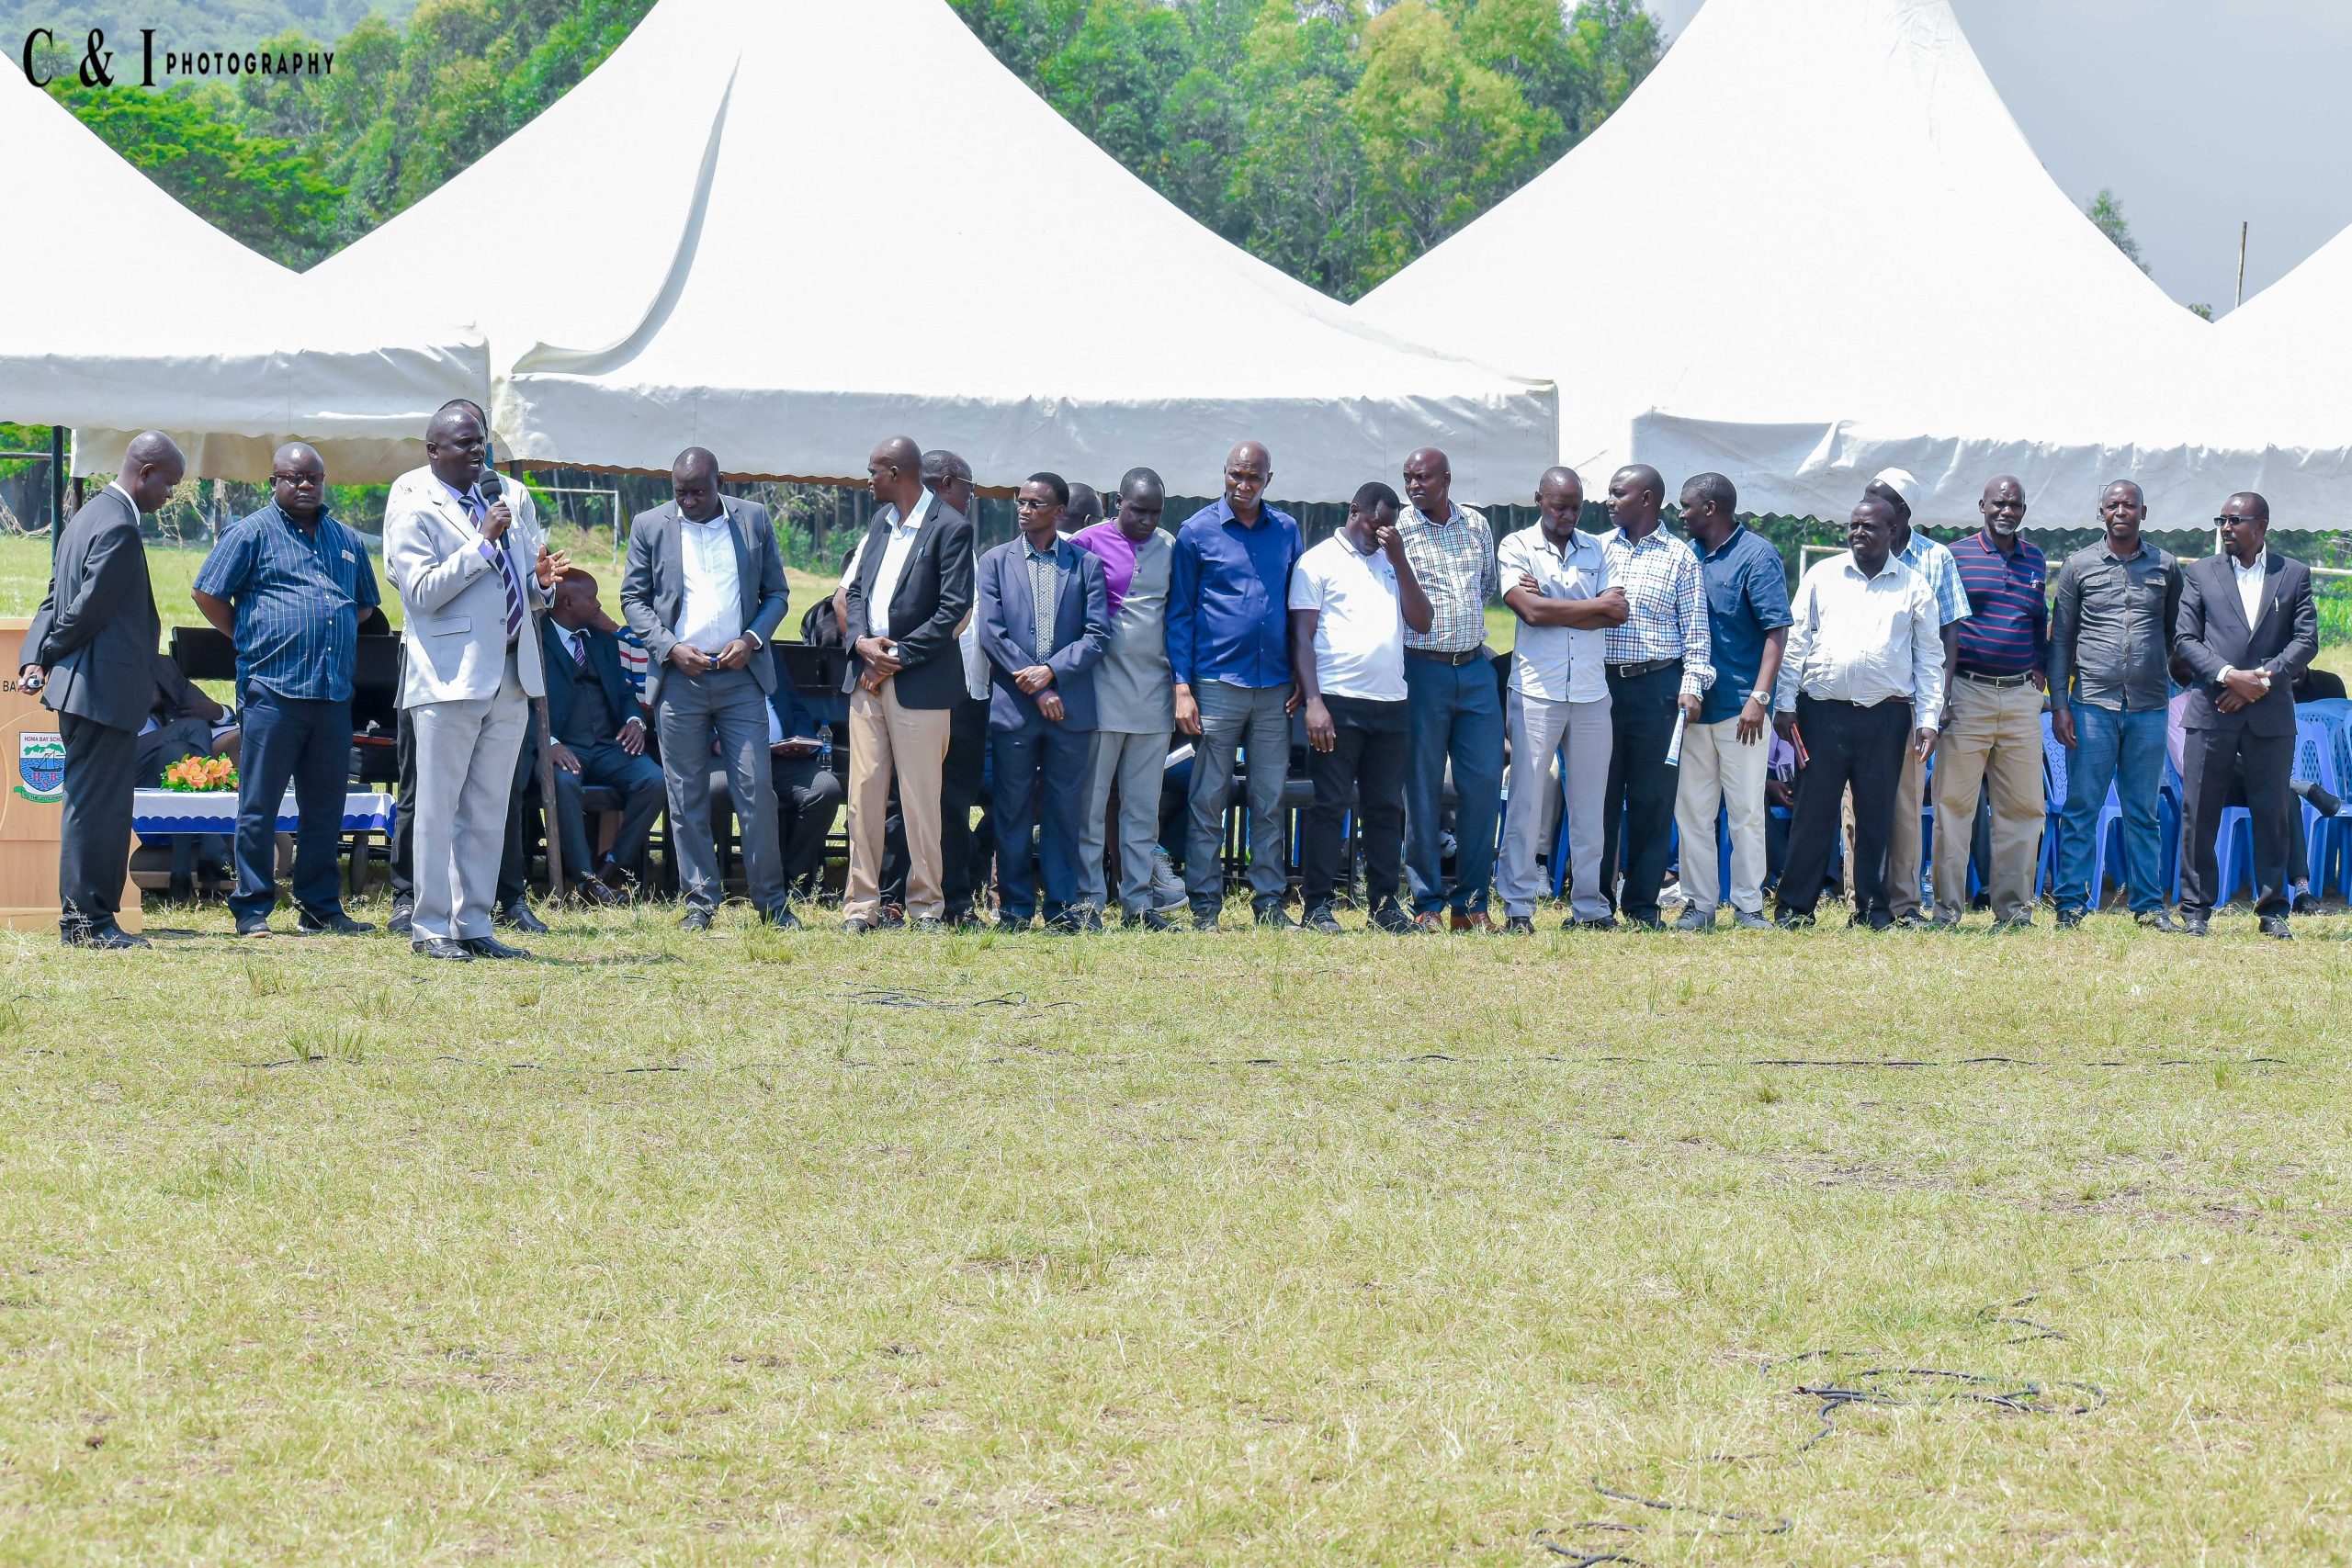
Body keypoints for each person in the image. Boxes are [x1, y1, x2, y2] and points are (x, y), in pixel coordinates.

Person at [383, 405, 562, 961]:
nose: (477, 451)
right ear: (433, 450)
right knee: (438, 808)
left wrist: (542, 584)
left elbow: (521, 588)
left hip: (510, 672)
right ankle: (430, 926)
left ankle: (474, 921)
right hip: (449, 677)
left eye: (480, 441)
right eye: (464, 443)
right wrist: (482, 544)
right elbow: (420, 593)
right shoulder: (415, 505)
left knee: (488, 809)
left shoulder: (499, 498)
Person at [191, 440, 380, 939]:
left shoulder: (346, 539)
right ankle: (252, 908)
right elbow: (207, 592)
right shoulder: (250, 533)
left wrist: (327, 623)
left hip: (332, 694)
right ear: (273, 481)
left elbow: (365, 605)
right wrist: (248, 635)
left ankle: (320, 908)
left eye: (313, 478)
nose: (304, 485)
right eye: (293, 478)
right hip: (272, 690)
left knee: (325, 808)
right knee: (260, 805)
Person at [20, 431, 182, 948]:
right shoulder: (119, 526)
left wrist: (33, 656)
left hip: (85, 691)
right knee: (100, 809)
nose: (169, 496)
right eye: (168, 485)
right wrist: (46, 654)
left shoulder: (86, 516)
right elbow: (86, 609)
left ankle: (83, 919)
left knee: (88, 804)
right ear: (145, 472)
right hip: (100, 692)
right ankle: (88, 922)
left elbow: (52, 600)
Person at [622, 447, 793, 931]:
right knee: (686, 793)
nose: (690, 501)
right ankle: (700, 901)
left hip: (741, 676)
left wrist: (752, 638)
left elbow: (777, 593)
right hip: (681, 678)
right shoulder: (650, 525)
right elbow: (633, 598)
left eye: (699, 491)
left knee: (755, 788)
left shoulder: (753, 520)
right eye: (681, 493)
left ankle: (771, 903)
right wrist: (671, 648)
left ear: (722, 481)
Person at [1771, 496, 1944, 930]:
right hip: (1820, 714)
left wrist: (1928, 719)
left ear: (1892, 532)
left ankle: (1871, 911)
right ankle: (1795, 909)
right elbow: (1796, 641)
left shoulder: (1914, 586)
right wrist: (1785, 703)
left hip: (1886, 718)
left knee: (1876, 817)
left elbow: (1929, 659)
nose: (1858, 533)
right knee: (1813, 814)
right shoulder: (1822, 575)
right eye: (1854, 525)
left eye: (1869, 526)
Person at [839, 435, 976, 932]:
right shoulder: (881, 521)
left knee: (920, 800)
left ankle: (926, 905)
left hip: (920, 683)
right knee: (864, 796)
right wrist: (861, 644)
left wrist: (895, 656)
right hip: (867, 679)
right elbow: (855, 592)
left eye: (873, 471)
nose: (868, 480)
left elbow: (953, 610)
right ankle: (861, 905)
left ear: (896, 473)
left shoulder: (951, 528)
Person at [1166, 440, 1304, 930]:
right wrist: (1182, 687)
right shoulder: (1196, 532)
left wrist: (1302, 676)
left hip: (1276, 687)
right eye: (1235, 475)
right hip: (1216, 681)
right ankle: (1205, 904)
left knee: (1270, 799)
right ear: (1224, 472)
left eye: (1253, 477)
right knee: (1208, 797)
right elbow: (1180, 614)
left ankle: (1269, 903)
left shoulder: (1286, 530)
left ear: (1269, 479)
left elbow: (1298, 606)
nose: (1243, 485)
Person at [1290, 481, 1431, 934]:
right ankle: (1317, 905)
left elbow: (1423, 621)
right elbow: (1301, 637)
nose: (1381, 534)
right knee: (1329, 804)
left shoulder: (1393, 560)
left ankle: (1385, 905)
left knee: (1386, 808)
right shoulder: (1317, 562)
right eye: (1376, 524)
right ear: (1354, 511)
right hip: (1337, 702)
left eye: (1390, 527)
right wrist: (1314, 702)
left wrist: (1400, 559)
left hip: (1391, 702)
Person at [2173, 491, 2316, 939]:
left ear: (2262, 525)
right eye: (2222, 520)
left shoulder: (2293, 573)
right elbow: (2185, 639)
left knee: (2272, 811)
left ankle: (2273, 909)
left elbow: (2306, 640)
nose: (2226, 528)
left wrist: (2261, 680)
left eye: (2235, 520)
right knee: (2200, 812)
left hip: (2270, 717)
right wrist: (2229, 676)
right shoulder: (2201, 572)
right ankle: (2196, 910)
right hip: (2212, 710)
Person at [975, 473, 1110, 931]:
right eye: (1021, 501)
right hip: (1016, 709)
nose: (1025, 509)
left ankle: (1062, 907)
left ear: (1059, 512)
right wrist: (1038, 687)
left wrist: (1052, 672)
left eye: (1036, 503)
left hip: (1070, 710)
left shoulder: (1086, 565)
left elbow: (1097, 636)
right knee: (1011, 810)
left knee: (1063, 812)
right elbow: (992, 634)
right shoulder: (995, 561)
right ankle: (1014, 908)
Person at [1495, 467, 1627, 932]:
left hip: (1591, 692)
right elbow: (1529, 611)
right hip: (1537, 690)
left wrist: (1553, 605)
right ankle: (1518, 906)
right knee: (1527, 804)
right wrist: (1590, 606)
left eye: (1576, 507)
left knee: (1591, 807)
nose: (1569, 515)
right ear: (1539, 500)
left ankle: (1590, 907)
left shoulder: (1598, 548)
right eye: (1559, 506)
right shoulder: (1516, 546)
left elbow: (1617, 611)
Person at [2047, 479, 2183, 930]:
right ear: (2100, 512)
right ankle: (2070, 904)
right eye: (2113, 505)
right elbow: (2061, 640)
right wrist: (2060, 704)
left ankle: (2148, 906)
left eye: (2129, 505)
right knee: (2082, 807)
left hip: (2149, 706)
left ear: (2144, 512)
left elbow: (2175, 635)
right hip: (2091, 705)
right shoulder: (2078, 566)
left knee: (2143, 810)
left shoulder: (2166, 566)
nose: (2121, 511)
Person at [1670, 472, 1791, 931]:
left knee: (1745, 813)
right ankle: (1699, 905)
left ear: (1710, 509)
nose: (1680, 513)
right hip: (1693, 707)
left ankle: (1748, 906)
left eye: (1686, 505)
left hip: (1742, 709)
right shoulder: (1685, 555)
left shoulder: (1756, 555)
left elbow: (1776, 630)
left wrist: (1759, 697)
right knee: (1692, 813)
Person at [1930, 475, 2050, 929]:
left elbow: (2039, 621)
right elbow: (1940, 625)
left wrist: (2039, 670)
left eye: (2015, 505)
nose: (2007, 511)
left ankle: (2014, 911)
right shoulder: (1955, 556)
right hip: (1967, 693)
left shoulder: (2035, 558)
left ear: (2024, 510)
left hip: (2021, 698)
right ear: (1982, 505)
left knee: (2024, 808)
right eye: (1999, 503)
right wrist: (1941, 695)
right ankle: (1947, 911)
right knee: (1954, 806)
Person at [1598, 464, 1713, 927]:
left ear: (1647, 499)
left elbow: (1697, 634)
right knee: (1599, 797)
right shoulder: (1596, 550)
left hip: (1658, 690)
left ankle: (1643, 905)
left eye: (1618, 493)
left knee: (1652, 799)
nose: (1609, 501)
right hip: (1600, 688)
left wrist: (1692, 688)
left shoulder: (1680, 557)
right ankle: (1595, 903)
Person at [1395, 447, 1504, 931]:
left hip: (1475, 668)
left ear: (1447, 479)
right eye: (1408, 478)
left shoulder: (1476, 525)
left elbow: (1486, 588)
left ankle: (1472, 903)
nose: (1414, 486)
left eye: (1423, 477)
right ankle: (1427, 903)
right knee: (1421, 788)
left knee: (1482, 785)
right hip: (1422, 669)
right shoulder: (1398, 529)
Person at [1072, 467, 1181, 929]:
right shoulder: (1085, 543)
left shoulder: (1170, 547)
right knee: (1091, 807)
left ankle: (1138, 902)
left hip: (1153, 695)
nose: (1148, 521)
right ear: (1118, 502)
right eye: (1139, 511)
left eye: (1156, 513)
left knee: (1142, 809)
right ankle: (1088, 901)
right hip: (1100, 695)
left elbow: (1179, 616)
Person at [1869, 468, 1968, 926]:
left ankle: (1905, 904)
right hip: (1859, 700)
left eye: (1879, 497)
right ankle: (1861, 898)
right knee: (1858, 802)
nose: (1868, 504)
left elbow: (1950, 633)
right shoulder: (1859, 551)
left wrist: (1939, 698)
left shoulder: (1935, 557)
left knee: (1907, 804)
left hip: (1911, 700)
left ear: (1903, 512)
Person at [538, 571, 665, 906]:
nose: (598, 605)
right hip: (564, 746)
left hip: (609, 746)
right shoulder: (536, 640)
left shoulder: (603, 641)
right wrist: (549, 744)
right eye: (592, 598)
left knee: (654, 780)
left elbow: (624, 692)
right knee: (562, 783)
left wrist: (634, 721)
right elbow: (521, 701)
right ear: (568, 603)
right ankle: (585, 879)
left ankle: (611, 866)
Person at [136, 651, 232, 901]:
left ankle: (180, 877)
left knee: (177, 754)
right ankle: (212, 841)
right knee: (193, 728)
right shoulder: (106, 661)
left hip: (161, 769)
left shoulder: (162, 665)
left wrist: (218, 711)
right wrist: (139, 699)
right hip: (123, 761)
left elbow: (209, 709)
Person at [763, 642, 844, 898]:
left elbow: (795, 706)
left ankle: (792, 878)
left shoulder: (767, 651)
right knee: (718, 789)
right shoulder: (708, 649)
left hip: (782, 758)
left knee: (825, 789)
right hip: (730, 757)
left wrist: (802, 740)